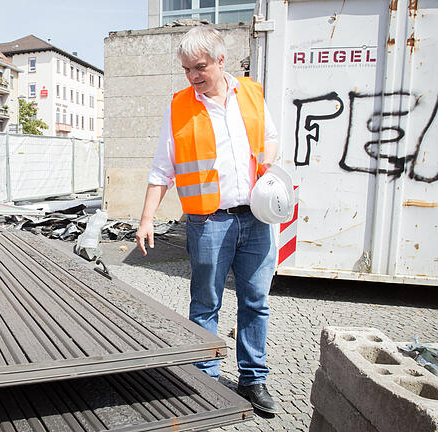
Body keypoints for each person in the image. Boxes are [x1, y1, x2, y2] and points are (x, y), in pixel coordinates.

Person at [135, 25, 280, 414]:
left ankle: (253, 380)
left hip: (256, 219)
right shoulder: (179, 105)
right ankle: (205, 381)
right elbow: (161, 170)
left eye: (199, 67)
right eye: (186, 69)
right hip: (207, 223)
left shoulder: (251, 93)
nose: (193, 76)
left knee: (256, 302)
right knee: (205, 304)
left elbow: (271, 141)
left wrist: (273, 172)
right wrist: (147, 218)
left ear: (221, 60)